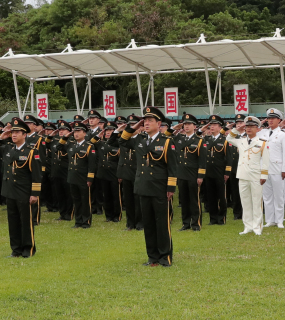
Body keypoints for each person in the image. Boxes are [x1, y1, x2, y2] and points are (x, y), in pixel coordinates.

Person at [112, 106, 178, 267]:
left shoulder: (167, 142)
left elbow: (173, 167)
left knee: (162, 224)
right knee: (148, 224)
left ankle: (165, 257)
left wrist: (170, 189)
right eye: (145, 121)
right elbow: (119, 141)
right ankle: (152, 257)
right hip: (143, 187)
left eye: (150, 121)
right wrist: (133, 127)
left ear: (159, 123)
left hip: (160, 188)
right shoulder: (139, 140)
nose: (146, 123)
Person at [0, 117, 43, 257]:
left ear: (24, 135)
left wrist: (35, 194)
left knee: (26, 222)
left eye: (17, 132)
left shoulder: (31, 151)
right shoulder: (8, 149)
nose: (14, 134)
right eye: (12, 132)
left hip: (24, 192)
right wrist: (1, 136)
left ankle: (28, 249)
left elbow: (36, 175)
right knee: (13, 223)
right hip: (10, 191)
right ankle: (16, 250)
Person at [227, 116, 270, 236]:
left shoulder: (262, 142)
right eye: (247, 126)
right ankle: (247, 226)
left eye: (252, 126)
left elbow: (266, 161)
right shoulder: (241, 141)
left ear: (258, 128)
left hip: (256, 176)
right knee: (245, 202)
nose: (249, 128)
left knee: (256, 202)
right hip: (242, 175)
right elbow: (229, 138)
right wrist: (237, 128)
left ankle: (257, 227)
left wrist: (264, 176)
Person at [66, 121, 98, 229]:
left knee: (85, 201)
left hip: (84, 178)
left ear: (85, 133)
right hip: (73, 177)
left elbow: (92, 164)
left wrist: (90, 178)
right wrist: (67, 135)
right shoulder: (71, 145)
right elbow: (58, 147)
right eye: (74, 131)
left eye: (78, 131)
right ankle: (78, 221)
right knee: (76, 201)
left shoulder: (89, 146)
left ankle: (86, 221)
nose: (76, 134)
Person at [174, 113, 204, 231]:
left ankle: (196, 223)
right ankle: (185, 223)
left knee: (194, 200)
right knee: (184, 201)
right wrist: (174, 128)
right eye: (185, 124)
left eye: (189, 124)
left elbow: (202, 160)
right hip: (181, 174)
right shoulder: (179, 139)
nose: (186, 126)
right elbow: (166, 136)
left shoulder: (199, 140)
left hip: (193, 174)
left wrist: (200, 176)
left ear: (194, 126)